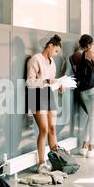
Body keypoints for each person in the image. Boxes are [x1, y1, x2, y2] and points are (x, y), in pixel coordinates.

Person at [26, 34, 63, 173]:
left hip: (48, 95)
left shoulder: (52, 62)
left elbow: (51, 80)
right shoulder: (35, 59)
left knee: (52, 128)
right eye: (56, 51)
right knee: (44, 129)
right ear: (50, 46)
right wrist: (46, 81)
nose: (56, 54)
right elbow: (29, 81)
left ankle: (56, 160)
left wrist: (58, 84)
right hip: (36, 95)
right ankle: (41, 163)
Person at [74, 34, 94, 158]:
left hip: (82, 91)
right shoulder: (90, 53)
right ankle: (91, 148)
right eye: (92, 43)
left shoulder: (76, 55)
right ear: (89, 44)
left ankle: (84, 147)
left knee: (90, 117)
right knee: (93, 118)